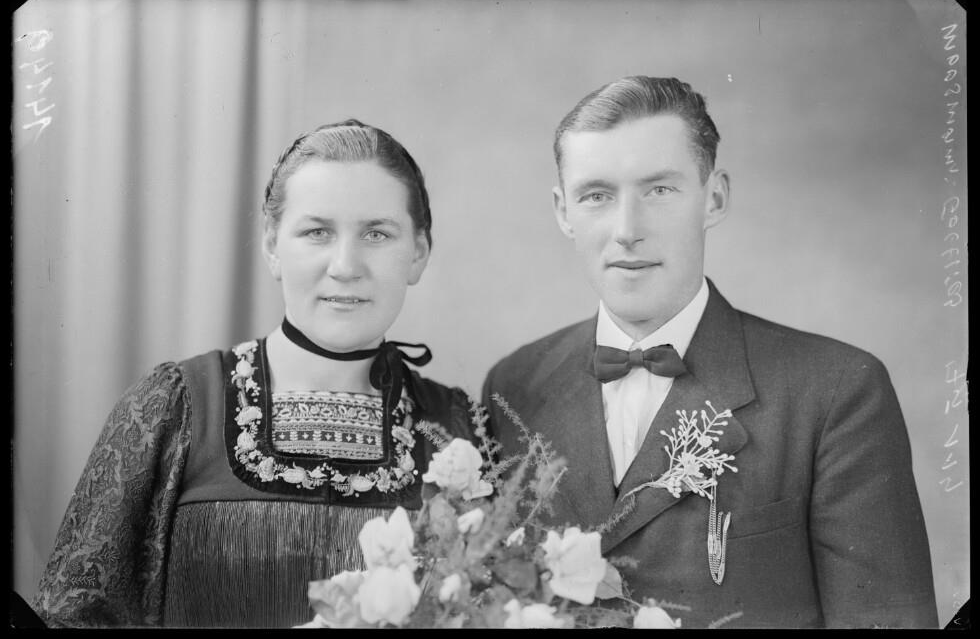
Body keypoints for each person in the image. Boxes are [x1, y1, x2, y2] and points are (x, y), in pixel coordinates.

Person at [482, 76, 938, 629]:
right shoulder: (514, 386)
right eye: (596, 195)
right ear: (563, 212)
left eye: (659, 190)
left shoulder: (837, 390)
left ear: (714, 197)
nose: (627, 230)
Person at [31, 119, 485, 628]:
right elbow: (73, 616)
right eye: (317, 232)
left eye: (377, 234)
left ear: (418, 253)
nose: (345, 265)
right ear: (272, 245)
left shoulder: (459, 428)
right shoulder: (176, 407)